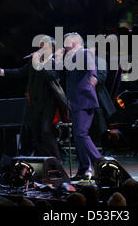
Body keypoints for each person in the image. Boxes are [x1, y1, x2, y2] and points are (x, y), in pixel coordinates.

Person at [0, 36, 66, 160]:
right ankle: (46, 160)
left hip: (49, 104)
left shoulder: (56, 63)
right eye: (40, 48)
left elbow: (51, 76)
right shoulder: (34, 62)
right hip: (35, 102)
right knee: (36, 134)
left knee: (46, 131)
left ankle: (57, 160)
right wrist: (1, 72)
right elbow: (20, 72)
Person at [52, 33, 104, 180]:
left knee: (81, 133)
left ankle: (99, 161)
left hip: (84, 99)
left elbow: (91, 67)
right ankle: (84, 169)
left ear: (74, 42)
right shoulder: (70, 58)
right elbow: (58, 72)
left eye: (66, 42)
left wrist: (93, 76)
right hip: (75, 102)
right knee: (77, 135)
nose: (64, 44)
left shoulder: (83, 52)